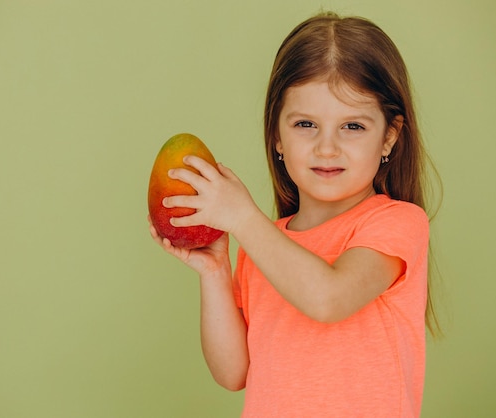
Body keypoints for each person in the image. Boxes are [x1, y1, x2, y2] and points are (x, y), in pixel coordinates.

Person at [149, 11, 439, 417]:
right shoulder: (263, 243)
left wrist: (245, 220)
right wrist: (215, 272)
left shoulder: (397, 222)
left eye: (353, 126)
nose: (327, 147)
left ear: (389, 136)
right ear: (277, 138)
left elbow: (329, 298)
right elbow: (232, 373)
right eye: (306, 124)